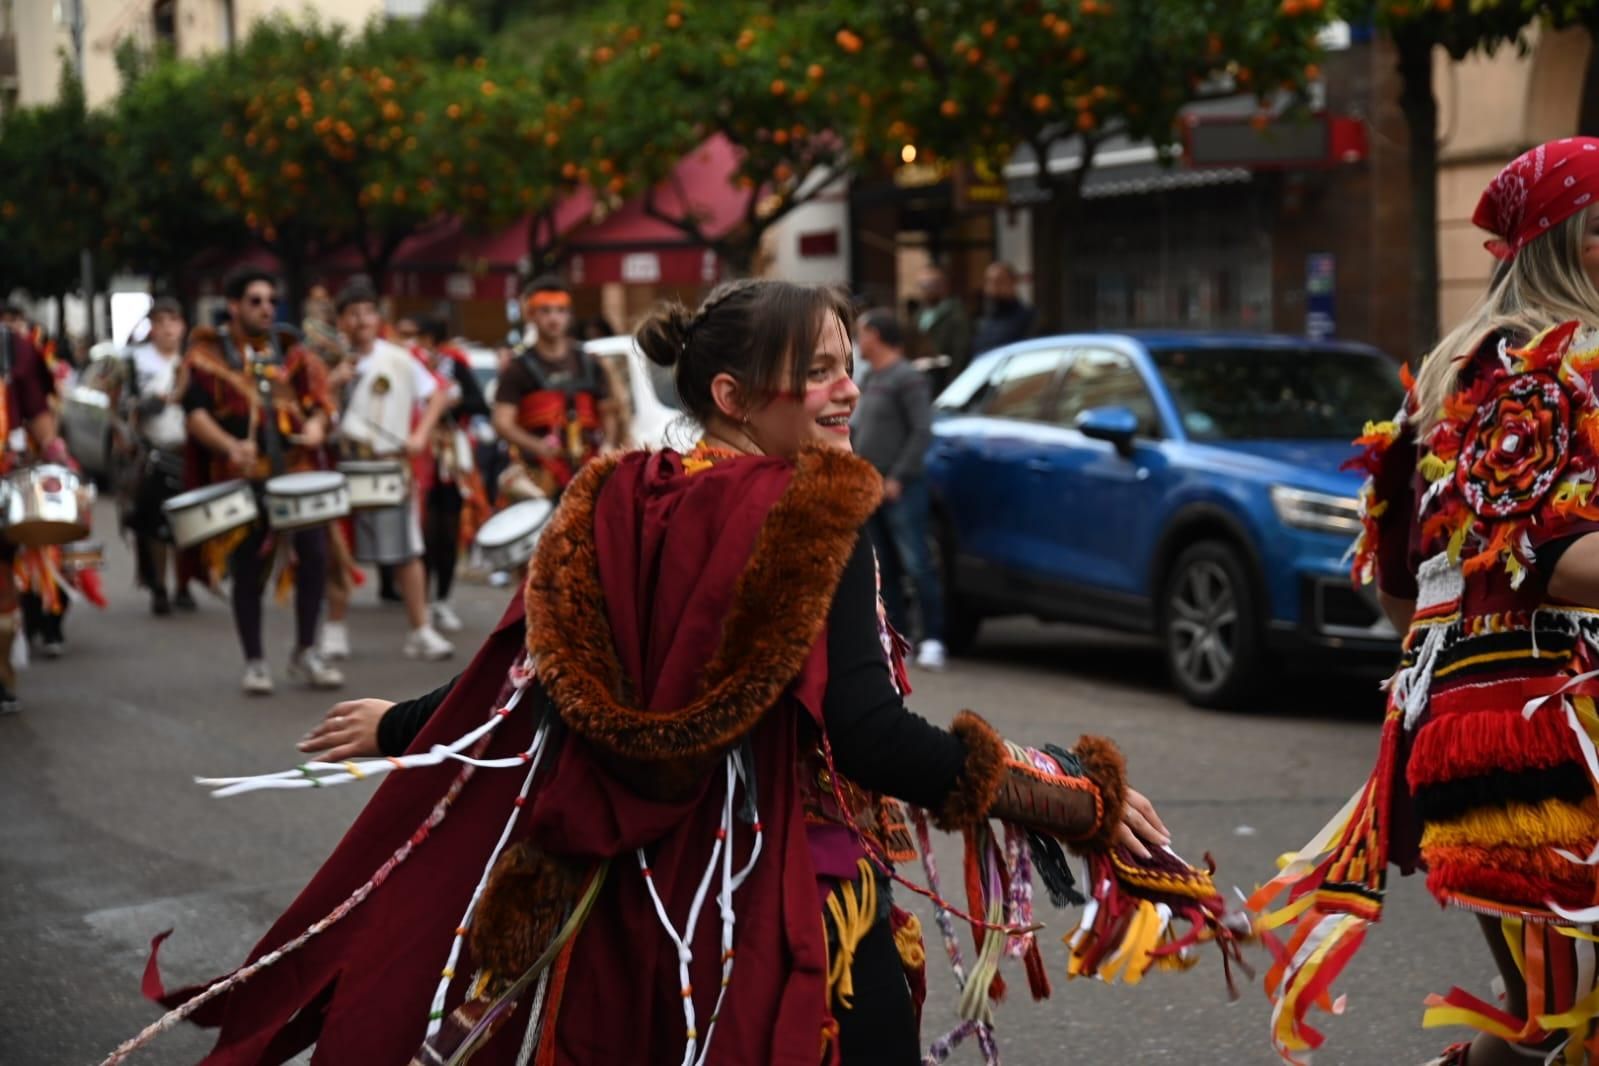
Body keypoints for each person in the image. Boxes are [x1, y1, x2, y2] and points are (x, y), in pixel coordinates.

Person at [128, 280, 1256, 1066]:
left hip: (637, 915)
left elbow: (544, 685)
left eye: (849, 366)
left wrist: (406, 725)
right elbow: (868, 734)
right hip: (788, 909)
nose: (844, 390)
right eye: (814, 371)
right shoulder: (817, 513)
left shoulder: (616, 497)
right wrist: (1068, 795)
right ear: (732, 393)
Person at [1249, 138, 1599, 1066]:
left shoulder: (1449, 379)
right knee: (1560, 1024)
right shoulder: (1546, 371)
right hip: (1541, 742)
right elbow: (1560, 559)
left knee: (1546, 1023)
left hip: (1471, 732)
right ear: (1574, 246)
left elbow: (1398, 588)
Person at [182, 266, 342, 695]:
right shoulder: (207, 355)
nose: (266, 309)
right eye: (255, 301)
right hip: (242, 475)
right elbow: (195, 414)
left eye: (271, 301)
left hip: (296, 473)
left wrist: (317, 427)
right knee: (248, 567)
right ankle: (254, 661)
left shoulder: (293, 354)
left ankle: (307, 650)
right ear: (233, 306)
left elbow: (323, 406)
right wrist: (231, 447)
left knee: (314, 557)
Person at [319, 281, 454, 663]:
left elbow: (439, 392)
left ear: (377, 317)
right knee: (338, 550)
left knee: (407, 550)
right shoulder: (329, 364)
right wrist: (331, 386)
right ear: (341, 321)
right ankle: (334, 630)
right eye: (352, 313)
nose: (361, 320)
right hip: (344, 462)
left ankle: (420, 630)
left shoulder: (398, 357)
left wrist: (420, 433)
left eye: (367, 311)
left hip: (389, 461)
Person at [853, 308, 946, 670]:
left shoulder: (907, 378)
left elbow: (922, 431)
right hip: (871, 488)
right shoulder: (870, 378)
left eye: (861, 334)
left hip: (901, 490)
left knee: (917, 564)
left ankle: (935, 637)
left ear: (876, 335)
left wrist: (898, 477)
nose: (858, 342)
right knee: (884, 568)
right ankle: (898, 637)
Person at [491, 275, 620, 502]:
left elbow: (608, 410)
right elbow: (502, 422)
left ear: (569, 315)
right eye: (545, 311)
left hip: (587, 473)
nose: (554, 318)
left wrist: (608, 444)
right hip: (537, 479)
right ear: (531, 315)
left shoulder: (590, 363)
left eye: (560, 311)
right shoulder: (518, 369)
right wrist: (536, 446)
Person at [0, 318, 63, 711]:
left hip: (4, 483)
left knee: (4, 605)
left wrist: (56, 454)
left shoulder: (12, 346)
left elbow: (38, 411)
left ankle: (2, 675)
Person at [414, 315, 491, 633]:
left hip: (447, 456)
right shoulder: (407, 364)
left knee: (446, 530)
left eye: (416, 335)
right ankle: (419, 603)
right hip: (417, 453)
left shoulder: (453, 364)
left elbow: (479, 403)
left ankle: (441, 600)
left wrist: (456, 401)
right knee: (420, 532)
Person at [124, 298, 198, 615]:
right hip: (154, 451)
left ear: (182, 326)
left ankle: (184, 584)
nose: (168, 328)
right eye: (160, 321)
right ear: (152, 328)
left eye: (173, 320)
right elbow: (130, 408)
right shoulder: (136, 363)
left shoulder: (195, 361)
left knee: (188, 524)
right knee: (154, 526)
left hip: (189, 449)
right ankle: (159, 586)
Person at [915, 266, 971, 385]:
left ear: (943, 286)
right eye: (922, 285)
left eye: (931, 285)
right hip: (923, 374)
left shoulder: (955, 311)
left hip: (944, 375)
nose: (926, 290)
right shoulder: (920, 313)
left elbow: (961, 348)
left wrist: (954, 377)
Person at [971, 262, 1035, 357]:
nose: (993, 288)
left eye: (999, 281)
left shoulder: (1029, 318)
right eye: (989, 281)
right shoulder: (983, 321)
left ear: (1013, 282)